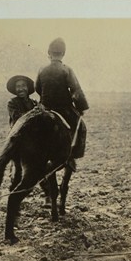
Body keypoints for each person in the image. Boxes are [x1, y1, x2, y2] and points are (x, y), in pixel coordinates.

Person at [35, 37, 89, 170]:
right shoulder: (67, 69)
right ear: (63, 53)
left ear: (49, 53)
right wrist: (81, 107)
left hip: (45, 108)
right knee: (81, 127)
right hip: (64, 108)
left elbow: (37, 88)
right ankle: (72, 155)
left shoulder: (42, 69)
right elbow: (76, 90)